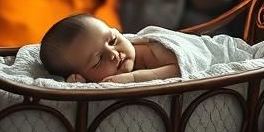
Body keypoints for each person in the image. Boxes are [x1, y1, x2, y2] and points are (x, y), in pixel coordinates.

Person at [39, 14, 181, 84]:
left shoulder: (153, 49)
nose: (113, 53)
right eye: (98, 60)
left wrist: (132, 78)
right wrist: (79, 85)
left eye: (113, 40)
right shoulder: (96, 81)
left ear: (117, 31)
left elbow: (180, 70)